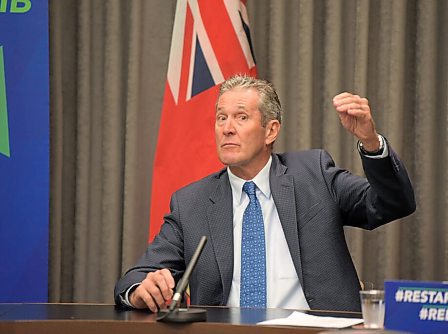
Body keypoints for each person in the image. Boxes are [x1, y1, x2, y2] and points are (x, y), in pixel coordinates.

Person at [114, 74, 416, 312]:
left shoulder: (314, 175)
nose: (227, 128)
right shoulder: (191, 203)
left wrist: (370, 141)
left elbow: (392, 204)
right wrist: (141, 290)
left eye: (241, 117)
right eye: (221, 118)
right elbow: (135, 278)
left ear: (271, 130)